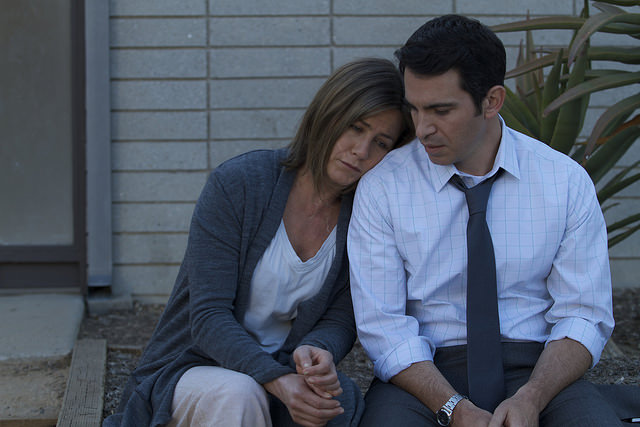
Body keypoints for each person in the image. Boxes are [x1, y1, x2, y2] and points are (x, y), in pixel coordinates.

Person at [348, 15, 638, 427]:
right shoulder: (383, 187)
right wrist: (454, 408)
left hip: (538, 368)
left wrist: (533, 397)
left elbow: (583, 315)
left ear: (492, 101)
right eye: (414, 108)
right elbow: (384, 326)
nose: (422, 128)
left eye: (441, 110)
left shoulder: (564, 181)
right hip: (424, 373)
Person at [103, 58, 413, 427]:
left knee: (337, 404)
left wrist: (318, 351)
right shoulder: (239, 184)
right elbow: (207, 317)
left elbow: (341, 317)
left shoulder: (365, 215)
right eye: (355, 127)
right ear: (328, 115)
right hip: (195, 369)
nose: (361, 150)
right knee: (238, 394)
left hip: (279, 372)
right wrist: (276, 380)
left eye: (380, 142)